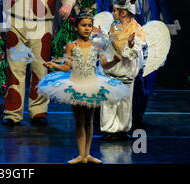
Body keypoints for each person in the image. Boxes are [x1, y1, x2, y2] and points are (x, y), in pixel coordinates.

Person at [38, 13, 129, 164]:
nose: (87, 28)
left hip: (93, 84)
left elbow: (105, 65)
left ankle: (87, 154)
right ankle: (81, 155)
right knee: (79, 120)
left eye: (89, 25)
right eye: (83, 25)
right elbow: (67, 67)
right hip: (76, 84)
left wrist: (114, 61)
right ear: (76, 27)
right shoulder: (71, 46)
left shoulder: (97, 46)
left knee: (89, 120)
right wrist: (54, 65)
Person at [94, 0, 147, 140]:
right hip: (112, 72)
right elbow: (107, 43)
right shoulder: (113, 26)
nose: (113, 12)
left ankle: (122, 130)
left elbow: (132, 53)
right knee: (110, 102)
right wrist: (100, 35)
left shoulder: (136, 30)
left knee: (124, 103)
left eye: (115, 10)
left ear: (123, 13)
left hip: (126, 73)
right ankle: (109, 130)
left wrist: (130, 44)